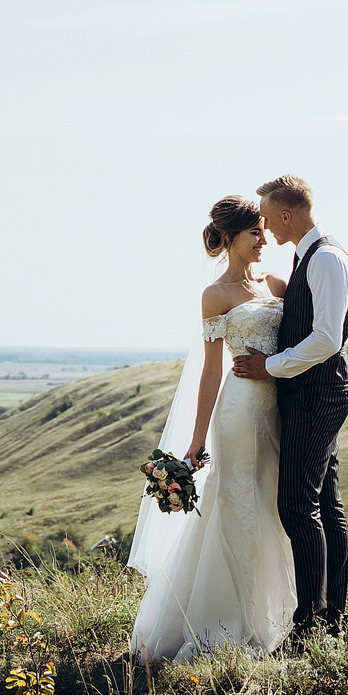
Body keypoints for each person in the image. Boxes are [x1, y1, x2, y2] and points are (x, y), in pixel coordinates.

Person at [125, 196, 297, 662]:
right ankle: (230, 619)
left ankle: (277, 614)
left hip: (278, 409)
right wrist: (197, 440)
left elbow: (316, 316)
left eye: (264, 231)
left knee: (275, 503)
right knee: (240, 502)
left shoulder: (277, 283)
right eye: (255, 233)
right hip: (239, 413)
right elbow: (209, 372)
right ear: (230, 239)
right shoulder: (216, 294)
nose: (264, 240)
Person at [230, 174, 348, 644]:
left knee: (297, 506)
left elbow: (327, 339)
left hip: (316, 393)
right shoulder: (313, 257)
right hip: (313, 391)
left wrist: (272, 366)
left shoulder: (324, 257)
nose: (263, 225)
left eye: (266, 216)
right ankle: (331, 623)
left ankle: (310, 624)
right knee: (325, 503)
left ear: (286, 215)